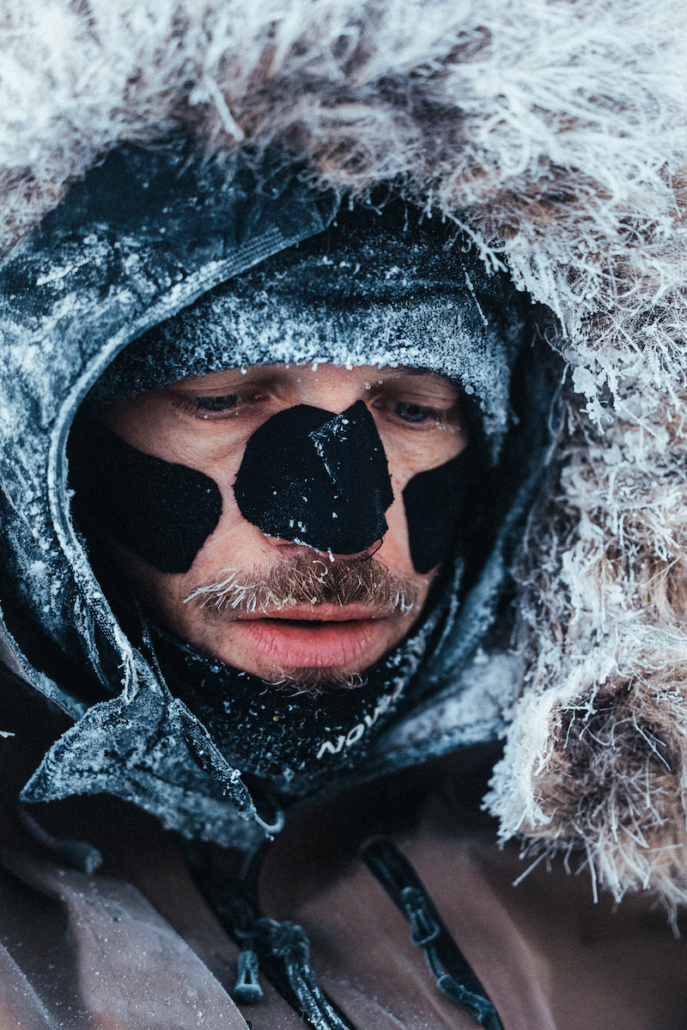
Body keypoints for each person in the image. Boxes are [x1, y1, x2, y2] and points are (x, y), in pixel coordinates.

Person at [1, 2, 687, 1028]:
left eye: (412, 408)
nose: (335, 524)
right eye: (222, 397)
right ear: (50, 438)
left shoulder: (638, 914)